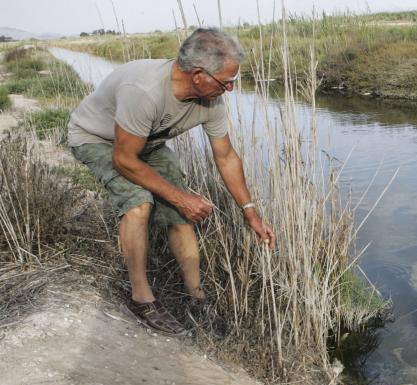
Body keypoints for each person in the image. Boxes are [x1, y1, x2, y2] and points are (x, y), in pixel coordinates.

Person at [68, 28, 275, 336]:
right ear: (197, 74)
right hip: (99, 140)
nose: (230, 89)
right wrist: (181, 197)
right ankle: (141, 299)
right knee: (139, 203)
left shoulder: (211, 99)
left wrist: (250, 212)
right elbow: (124, 159)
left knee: (180, 213)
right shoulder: (145, 90)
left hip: (146, 143)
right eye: (226, 82)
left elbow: (226, 157)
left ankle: (197, 297)